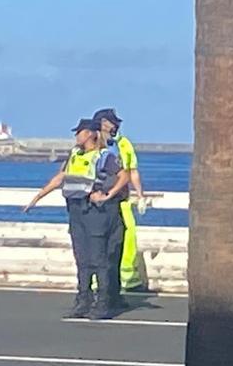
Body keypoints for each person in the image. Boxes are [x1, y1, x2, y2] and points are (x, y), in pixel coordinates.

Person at [24, 118, 129, 320]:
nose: (76, 136)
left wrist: (107, 194)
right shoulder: (74, 155)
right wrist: (37, 197)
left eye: (79, 132)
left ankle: (103, 303)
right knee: (82, 258)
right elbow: (61, 177)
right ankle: (83, 300)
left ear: (90, 133)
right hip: (76, 211)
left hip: (96, 213)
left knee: (99, 259)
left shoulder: (104, 156)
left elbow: (124, 176)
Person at [92, 108, 147, 300]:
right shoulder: (93, 145)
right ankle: (98, 281)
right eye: (112, 122)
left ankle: (129, 279)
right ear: (103, 123)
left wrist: (140, 196)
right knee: (99, 242)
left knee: (129, 236)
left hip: (122, 200)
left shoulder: (123, 144)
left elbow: (132, 171)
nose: (116, 125)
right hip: (100, 201)